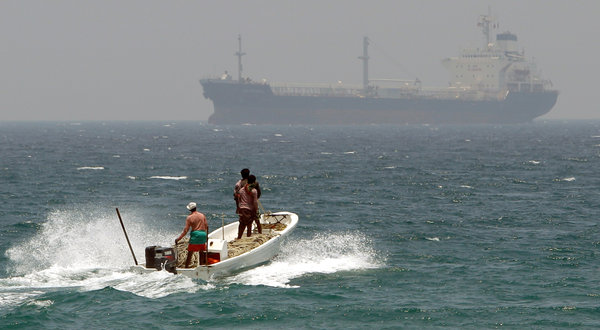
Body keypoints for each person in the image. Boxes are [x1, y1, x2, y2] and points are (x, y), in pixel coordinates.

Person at [175, 202, 208, 268]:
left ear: (189, 210)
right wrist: (206, 236)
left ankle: (186, 268)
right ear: (196, 208)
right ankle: (201, 267)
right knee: (201, 252)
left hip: (195, 235)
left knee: (190, 253)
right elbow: (206, 226)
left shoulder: (189, 218)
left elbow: (185, 231)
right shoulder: (202, 215)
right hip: (203, 234)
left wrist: (178, 239)